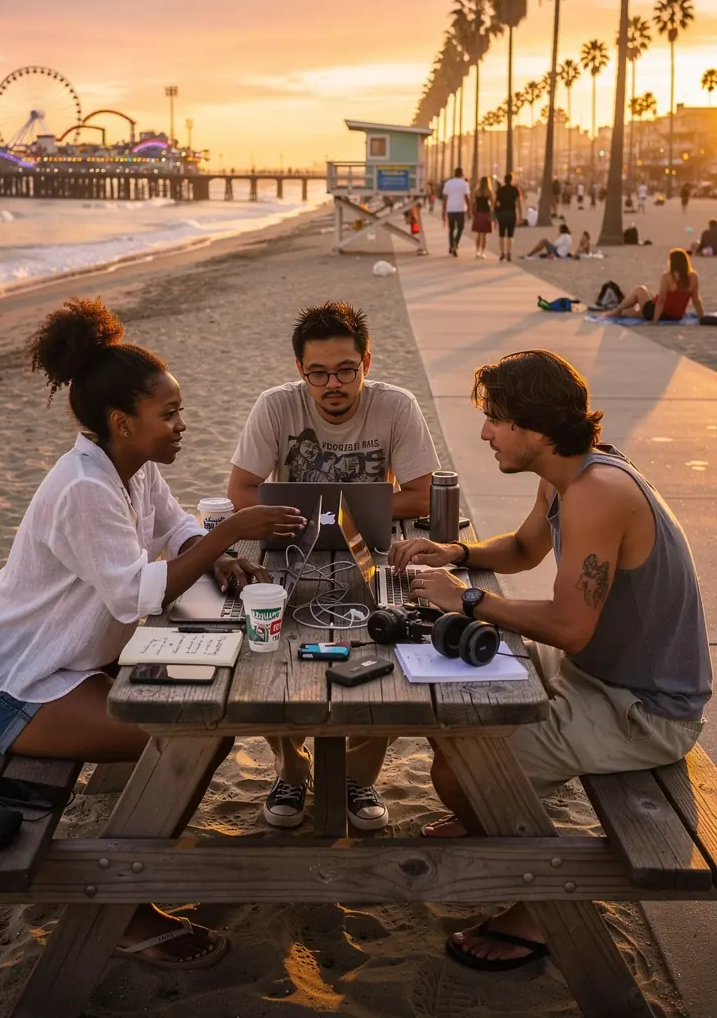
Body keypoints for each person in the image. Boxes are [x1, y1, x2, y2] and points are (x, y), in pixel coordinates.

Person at [0, 298, 305, 971]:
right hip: (12, 685)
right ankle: (123, 911)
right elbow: (131, 591)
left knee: (204, 719)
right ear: (122, 422)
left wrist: (216, 552)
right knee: (190, 734)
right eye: (168, 414)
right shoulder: (84, 487)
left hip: (69, 667)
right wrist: (229, 532)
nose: (181, 424)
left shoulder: (130, 468)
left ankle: (132, 857)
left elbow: (174, 530)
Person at [390, 349, 711, 971]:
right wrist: (453, 552)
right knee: (446, 705)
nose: (484, 432)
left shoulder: (599, 492)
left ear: (535, 428)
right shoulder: (567, 474)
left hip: (644, 711)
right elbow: (520, 550)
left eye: (495, 419)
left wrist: (469, 599)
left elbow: (571, 627)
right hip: (594, 679)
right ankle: (488, 819)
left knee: (462, 771)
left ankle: (542, 903)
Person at [227, 301, 439, 831]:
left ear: (367, 360)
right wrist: (336, 501)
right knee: (271, 652)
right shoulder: (276, 406)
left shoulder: (396, 406)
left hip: (373, 549)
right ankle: (292, 771)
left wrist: (339, 504)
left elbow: (425, 496)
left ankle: (356, 774)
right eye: (318, 373)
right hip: (291, 547)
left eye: (346, 370)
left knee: (385, 649)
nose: (333, 384)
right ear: (301, 371)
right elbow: (239, 489)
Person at [605, 248, 705, 323]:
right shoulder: (693, 277)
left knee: (640, 290)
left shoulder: (667, 277)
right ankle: (620, 312)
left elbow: (662, 300)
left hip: (658, 313)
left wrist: (655, 320)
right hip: (675, 315)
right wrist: (701, 317)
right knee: (636, 313)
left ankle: (617, 310)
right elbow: (696, 300)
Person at [441, 166, 472, 256]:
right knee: (460, 228)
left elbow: (445, 198)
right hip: (460, 209)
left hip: (450, 208)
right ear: (462, 174)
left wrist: (444, 210)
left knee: (451, 229)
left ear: (454, 173)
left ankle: (452, 245)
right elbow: (467, 198)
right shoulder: (464, 184)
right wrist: (469, 210)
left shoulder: (448, 183)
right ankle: (456, 243)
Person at [494, 172, 522, 262]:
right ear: (512, 180)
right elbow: (518, 203)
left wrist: (495, 215)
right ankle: (509, 253)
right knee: (510, 235)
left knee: (501, 234)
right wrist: (520, 215)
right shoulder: (515, 190)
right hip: (511, 213)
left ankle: (502, 253)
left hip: (502, 213)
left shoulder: (500, 190)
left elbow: (496, 203)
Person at [471, 175, 494, 258]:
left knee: (478, 234)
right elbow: (493, 204)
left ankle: (477, 251)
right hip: (486, 213)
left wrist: (472, 212)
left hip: (478, 213)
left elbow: (473, 203)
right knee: (484, 235)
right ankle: (482, 252)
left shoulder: (477, 191)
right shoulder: (489, 192)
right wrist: (493, 216)